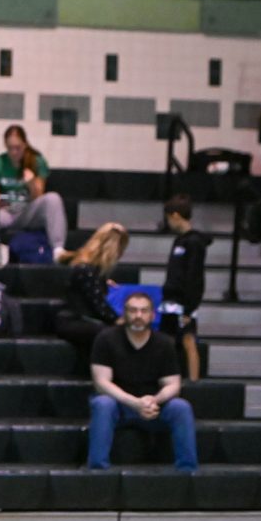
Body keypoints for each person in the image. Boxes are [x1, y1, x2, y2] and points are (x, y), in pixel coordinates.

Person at [88, 292, 198, 473]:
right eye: (133, 311)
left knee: (181, 407)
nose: (138, 316)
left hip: (152, 407)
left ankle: (187, 471)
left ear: (152, 315)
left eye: (144, 311)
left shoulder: (164, 343)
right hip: (119, 405)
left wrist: (153, 401)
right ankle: (98, 471)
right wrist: (134, 402)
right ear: (124, 314)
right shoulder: (106, 339)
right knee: (102, 403)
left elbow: (173, 385)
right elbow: (101, 383)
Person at [0, 125, 71, 263]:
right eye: (10, 147)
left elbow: (39, 196)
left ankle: (58, 250)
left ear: (24, 144)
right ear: (5, 145)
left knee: (53, 198)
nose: (14, 152)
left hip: (28, 212)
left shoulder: (36, 161)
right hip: (6, 212)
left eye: (17, 147)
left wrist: (31, 183)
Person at [54, 223, 130, 372]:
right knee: (111, 334)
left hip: (82, 318)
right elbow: (98, 305)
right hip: (73, 320)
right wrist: (119, 320)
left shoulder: (92, 271)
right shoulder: (85, 269)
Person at [159, 195, 211, 382]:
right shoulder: (179, 241)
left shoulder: (194, 242)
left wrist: (190, 306)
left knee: (188, 340)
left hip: (184, 301)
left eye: (167, 218)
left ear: (175, 216)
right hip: (171, 298)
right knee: (167, 341)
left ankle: (194, 381)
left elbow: (195, 276)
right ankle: (167, 378)